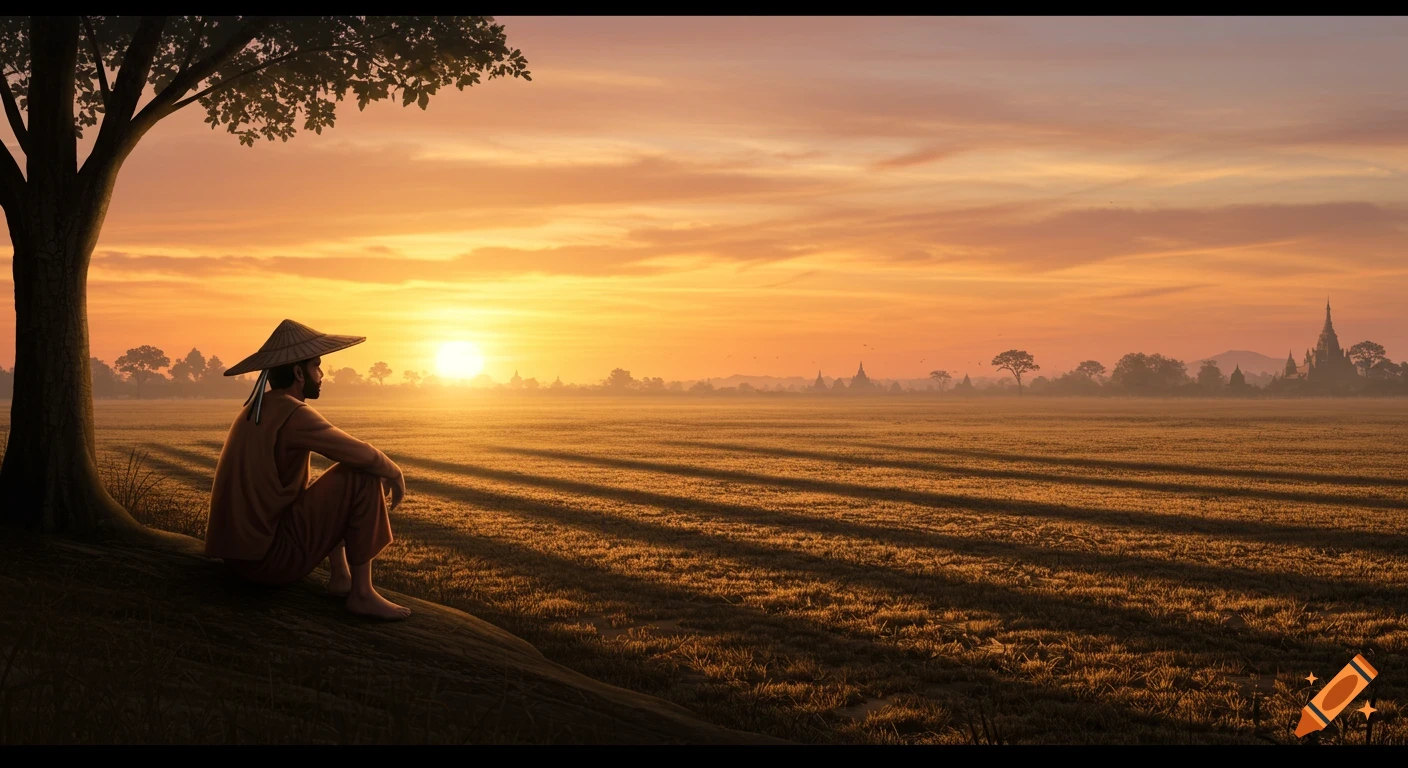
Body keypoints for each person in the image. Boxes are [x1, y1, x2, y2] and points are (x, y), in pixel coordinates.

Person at [204, 319, 411, 620]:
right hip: (268, 563)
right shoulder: (293, 413)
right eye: (317, 366)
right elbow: (359, 453)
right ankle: (362, 593)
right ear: (300, 373)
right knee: (360, 473)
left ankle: (341, 577)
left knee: (332, 482)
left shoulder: (259, 407)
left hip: (239, 559)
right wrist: (393, 471)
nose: (322, 374)